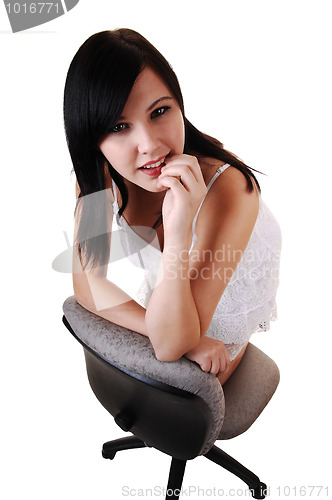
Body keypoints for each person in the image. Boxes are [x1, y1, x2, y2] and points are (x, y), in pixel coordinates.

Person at [64, 28, 281, 386]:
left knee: (173, 399)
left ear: (180, 104)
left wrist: (179, 231)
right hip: (170, 307)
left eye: (160, 111)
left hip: (222, 323)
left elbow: (168, 347)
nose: (148, 145)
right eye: (119, 126)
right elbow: (86, 285)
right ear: (92, 138)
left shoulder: (228, 189)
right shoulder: (100, 174)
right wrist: (168, 330)